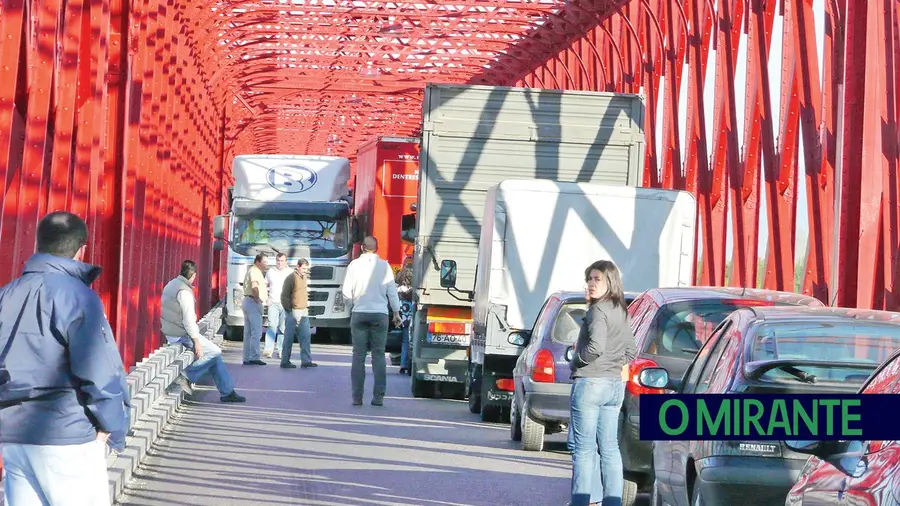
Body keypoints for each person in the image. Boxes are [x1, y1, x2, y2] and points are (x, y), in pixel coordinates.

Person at [0, 211, 131, 505]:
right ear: (81, 249)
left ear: (37, 244)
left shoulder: (5, 295)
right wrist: (113, 427)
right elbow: (100, 371)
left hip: (14, 434)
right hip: (68, 434)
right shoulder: (80, 297)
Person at [568, 260, 635, 506]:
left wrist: (577, 361)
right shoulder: (621, 309)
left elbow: (595, 347)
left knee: (583, 450)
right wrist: (615, 365)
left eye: (598, 279)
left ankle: (581, 502)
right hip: (614, 385)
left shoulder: (597, 311)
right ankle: (612, 502)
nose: (591, 284)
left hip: (591, 383)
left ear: (610, 282)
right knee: (609, 448)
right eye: (589, 279)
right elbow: (631, 350)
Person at [161, 260, 246, 403]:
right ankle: (186, 375)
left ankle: (227, 392)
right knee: (215, 352)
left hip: (170, 331)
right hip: (181, 334)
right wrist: (196, 341)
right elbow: (188, 320)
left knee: (215, 359)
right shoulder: (184, 292)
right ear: (193, 275)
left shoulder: (171, 284)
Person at [341, 237, 402, 406]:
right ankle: (378, 397)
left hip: (359, 313)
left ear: (362, 248)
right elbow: (392, 292)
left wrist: (353, 306)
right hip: (380, 315)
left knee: (358, 356)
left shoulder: (354, 265)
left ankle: (357, 397)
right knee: (379, 355)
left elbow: (346, 292)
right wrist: (396, 313)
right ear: (377, 248)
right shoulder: (384, 266)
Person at [280, 258, 317, 369]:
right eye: (304, 268)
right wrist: (289, 310)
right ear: (298, 266)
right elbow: (284, 296)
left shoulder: (303, 276)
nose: (305, 270)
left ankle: (306, 361)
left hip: (303, 310)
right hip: (293, 311)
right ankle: (285, 361)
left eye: (307, 268)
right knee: (289, 337)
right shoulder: (291, 278)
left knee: (306, 336)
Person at [264, 253, 292, 359]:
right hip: (273, 303)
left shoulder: (290, 273)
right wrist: (266, 298)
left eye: (282, 261)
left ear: (286, 262)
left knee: (283, 328)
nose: (280, 263)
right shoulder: (271, 272)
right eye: (278, 261)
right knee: (271, 325)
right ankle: (268, 349)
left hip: (285, 304)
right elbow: (264, 284)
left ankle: (280, 351)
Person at [242, 254, 268, 365]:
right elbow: (254, 286)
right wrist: (258, 299)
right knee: (256, 332)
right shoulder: (255, 271)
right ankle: (254, 356)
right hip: (253, 302)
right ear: (258, 262)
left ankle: (246, 357)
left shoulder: (252, 270)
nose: (266, 264)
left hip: (248, 301)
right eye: (265, 262)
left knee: (248, 332)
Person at [395, 261, 414, 375]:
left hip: (404, 317)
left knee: (405, 341)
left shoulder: (399, 289)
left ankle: (403, 364)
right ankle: (411, 363)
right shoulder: (415, 290)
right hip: (414, 316)